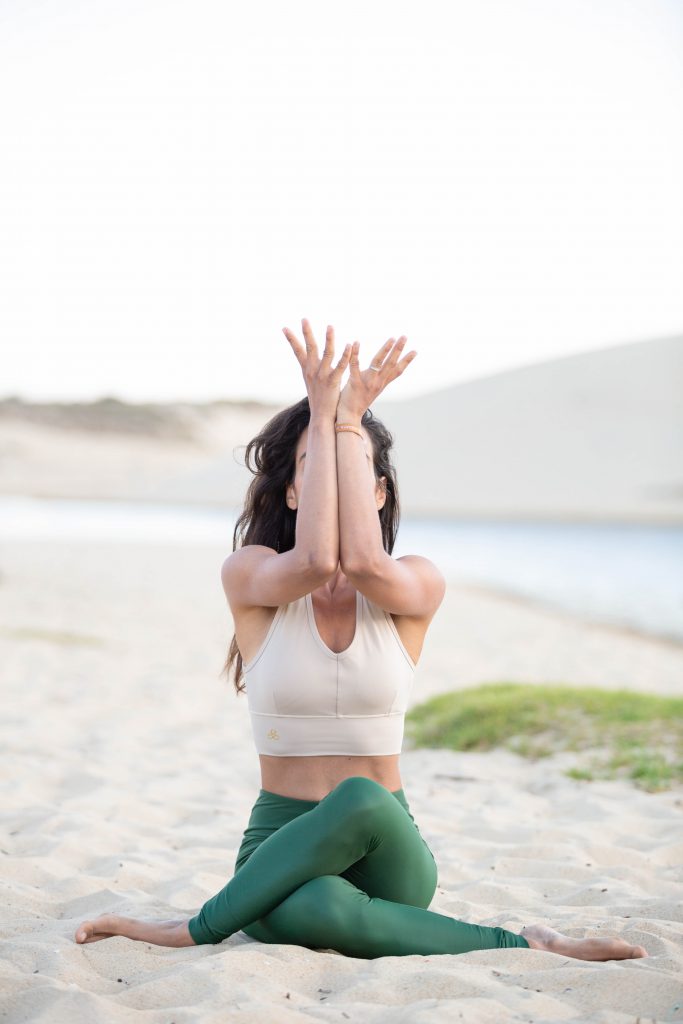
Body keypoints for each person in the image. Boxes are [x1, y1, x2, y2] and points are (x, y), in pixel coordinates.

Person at [74, 319, 647, 961]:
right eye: (311, 468)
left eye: (356, 470)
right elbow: (317, 562)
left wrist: (346, 421)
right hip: (276, 846)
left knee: (360, 798)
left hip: (387, 846)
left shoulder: (415, 583)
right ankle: (528, 944)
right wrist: (323, 420)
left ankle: (188, 929)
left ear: (378, 492)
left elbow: (365, 566)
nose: (334, 478)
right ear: (292, 490)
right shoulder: (252, 578)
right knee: (317, 908)